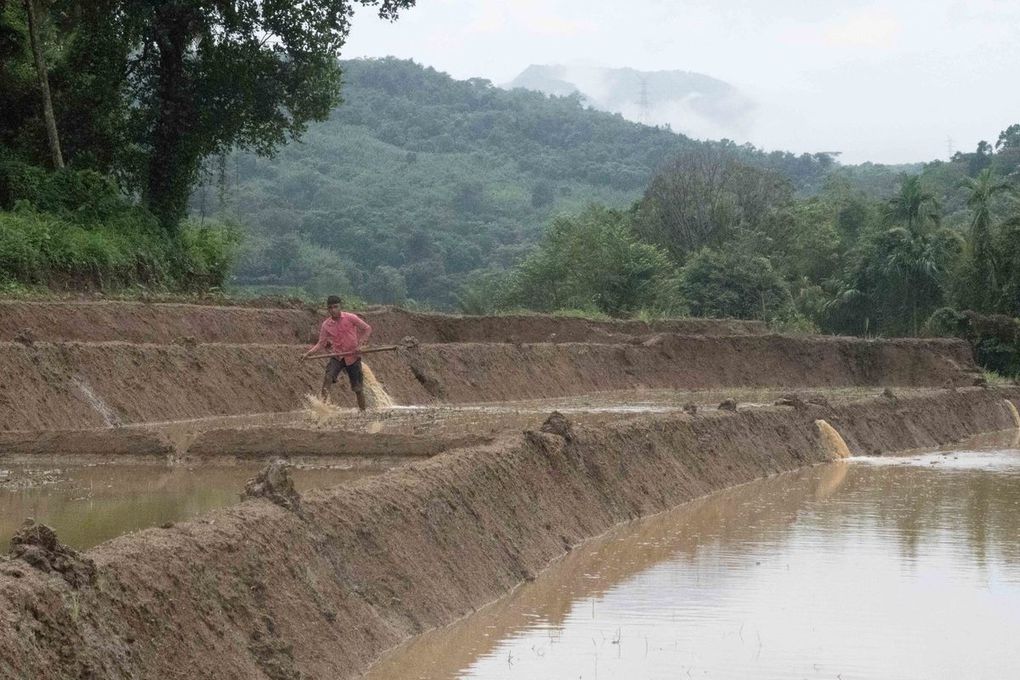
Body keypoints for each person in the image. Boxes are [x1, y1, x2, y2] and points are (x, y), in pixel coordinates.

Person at [303, 295, 373, 410]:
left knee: (358, 389)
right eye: (330, 308)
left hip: (353, 356)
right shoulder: (326, 325)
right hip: (337, 356)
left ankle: (363, 413)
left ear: (340, 307)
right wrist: (307, 354)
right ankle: (322, 408)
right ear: (328, 309)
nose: (333, 310)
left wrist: (361, 344)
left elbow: (367, 329)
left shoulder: (351, 318)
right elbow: (321, 343)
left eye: (336, 307)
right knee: (328, 378)